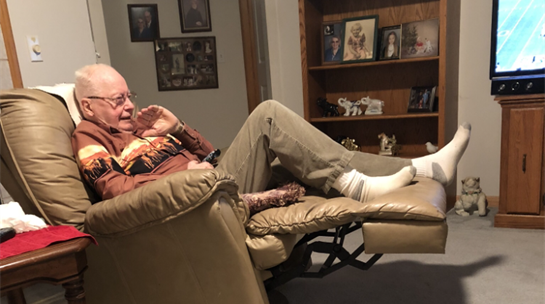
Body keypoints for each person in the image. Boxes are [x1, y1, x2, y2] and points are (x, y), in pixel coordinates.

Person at [71, 65, 471, 213]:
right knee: (268, 114)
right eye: (117, 99)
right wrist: (178, 179)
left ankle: (425, 167)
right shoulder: (90, 136)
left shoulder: (142, 127)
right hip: (195, 199)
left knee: (305, 157)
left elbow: (213, 156)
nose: (127, 105)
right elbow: (116, 192)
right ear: (88, 107)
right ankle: (358, 186)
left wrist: (178, 130)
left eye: (129, 96)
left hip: (211, 180)